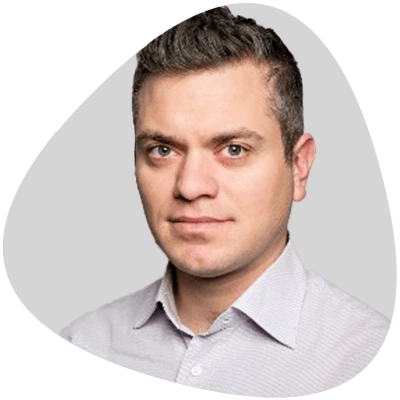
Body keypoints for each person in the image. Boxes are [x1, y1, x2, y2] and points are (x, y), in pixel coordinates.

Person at [61, 6, 391, 397]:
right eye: (163, 150)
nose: (190, 186)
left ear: (299, 167)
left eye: (234, 149)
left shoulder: (372, 362)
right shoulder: (80, 348)